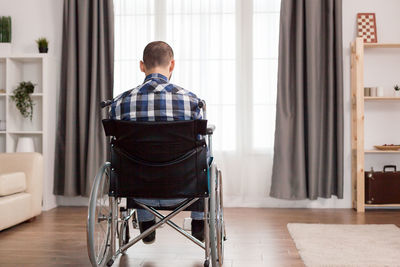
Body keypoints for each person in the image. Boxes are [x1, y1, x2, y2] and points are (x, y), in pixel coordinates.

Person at [109, 41, 204, 244]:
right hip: (184, 188)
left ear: (142, 66)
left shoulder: (120, 103)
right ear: (172, 65)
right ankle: (199, 221)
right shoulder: (192, 101)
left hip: (136, 190)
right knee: (205, 151)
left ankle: (145, 221)